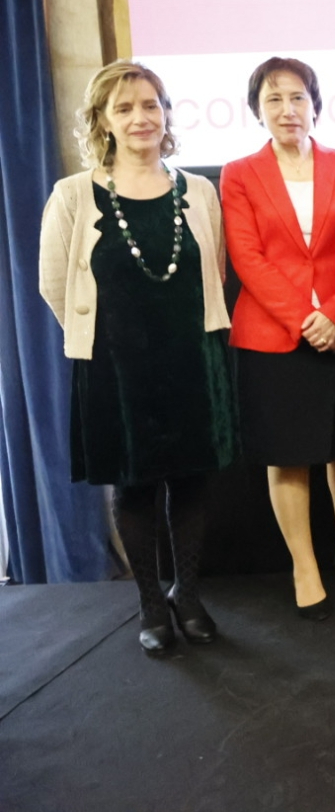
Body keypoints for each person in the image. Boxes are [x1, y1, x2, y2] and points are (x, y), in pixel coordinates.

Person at [39, 61, 237, 655]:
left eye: (150, 104)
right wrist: (102, 347)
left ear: (167, 113)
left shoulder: (198, 192)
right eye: (123, 108)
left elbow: (215, 272)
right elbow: (54, 283)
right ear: (102, 121)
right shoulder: (74, 195)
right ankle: (151, 603)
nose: (140, 117)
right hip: (116, 370)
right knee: (134, 488)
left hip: (190, 359)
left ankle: (189, 594)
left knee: (192, 481)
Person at [221, 57, 335, 620]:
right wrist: (303, 318)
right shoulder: (239, 173)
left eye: (297, 97)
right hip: (273, 336)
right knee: (288, 458)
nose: (287, 109)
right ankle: (305, 566)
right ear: (257, 111)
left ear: (315, 103)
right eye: (274, 99)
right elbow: (247, 257)